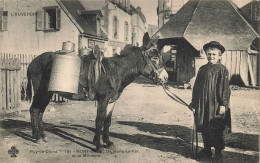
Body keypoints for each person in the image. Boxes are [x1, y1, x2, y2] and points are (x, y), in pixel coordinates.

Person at [189, 41, 231, 162]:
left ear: (219, 56)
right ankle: (207, 149)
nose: (211, 56)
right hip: (203, 103)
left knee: (216, 128)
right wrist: (194, 102)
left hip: (216, 104)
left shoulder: (222, 70)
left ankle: (218, 153)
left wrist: (223, 104)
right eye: (209, 54)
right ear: (206, 55)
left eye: (214, 54)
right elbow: (196, 87)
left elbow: (224, 88)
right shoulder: (202, 69)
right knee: (204, 125)